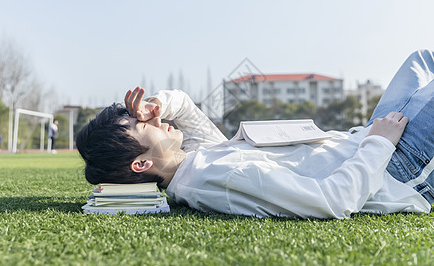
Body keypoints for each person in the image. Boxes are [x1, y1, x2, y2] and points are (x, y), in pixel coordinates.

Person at [76, 50, 433, 219]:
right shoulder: (218, 177)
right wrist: (380, 143)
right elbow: (331, 200)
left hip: (373, 136)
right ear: (141, 164)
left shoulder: (195, 161)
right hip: (396, 164)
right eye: (143, 126)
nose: (154, 120)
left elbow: (183, 105)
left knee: (421, 59)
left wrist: (154, 104)